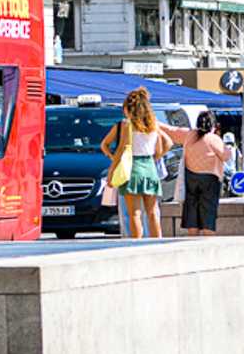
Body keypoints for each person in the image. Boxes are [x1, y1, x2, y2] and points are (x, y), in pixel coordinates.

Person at [98, 88, 201, 241]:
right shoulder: (153, 125)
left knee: (135, 213)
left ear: (130, 108)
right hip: (150, 168)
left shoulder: (128, 125)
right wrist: (156, 157)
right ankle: (156, 242)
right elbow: (168, 142)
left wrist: (113, 169)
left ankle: (137, 244)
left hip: (133, 169)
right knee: (152, 212)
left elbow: (122, 149)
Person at [182, 112, 230, 236]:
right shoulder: (213, 139)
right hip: (210, 179)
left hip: (190, 178)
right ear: (213, 125)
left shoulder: (190, 136)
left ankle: (191, 244)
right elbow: (225, 156)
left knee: (192, 216)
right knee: (208, 216)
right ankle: (208, 244)